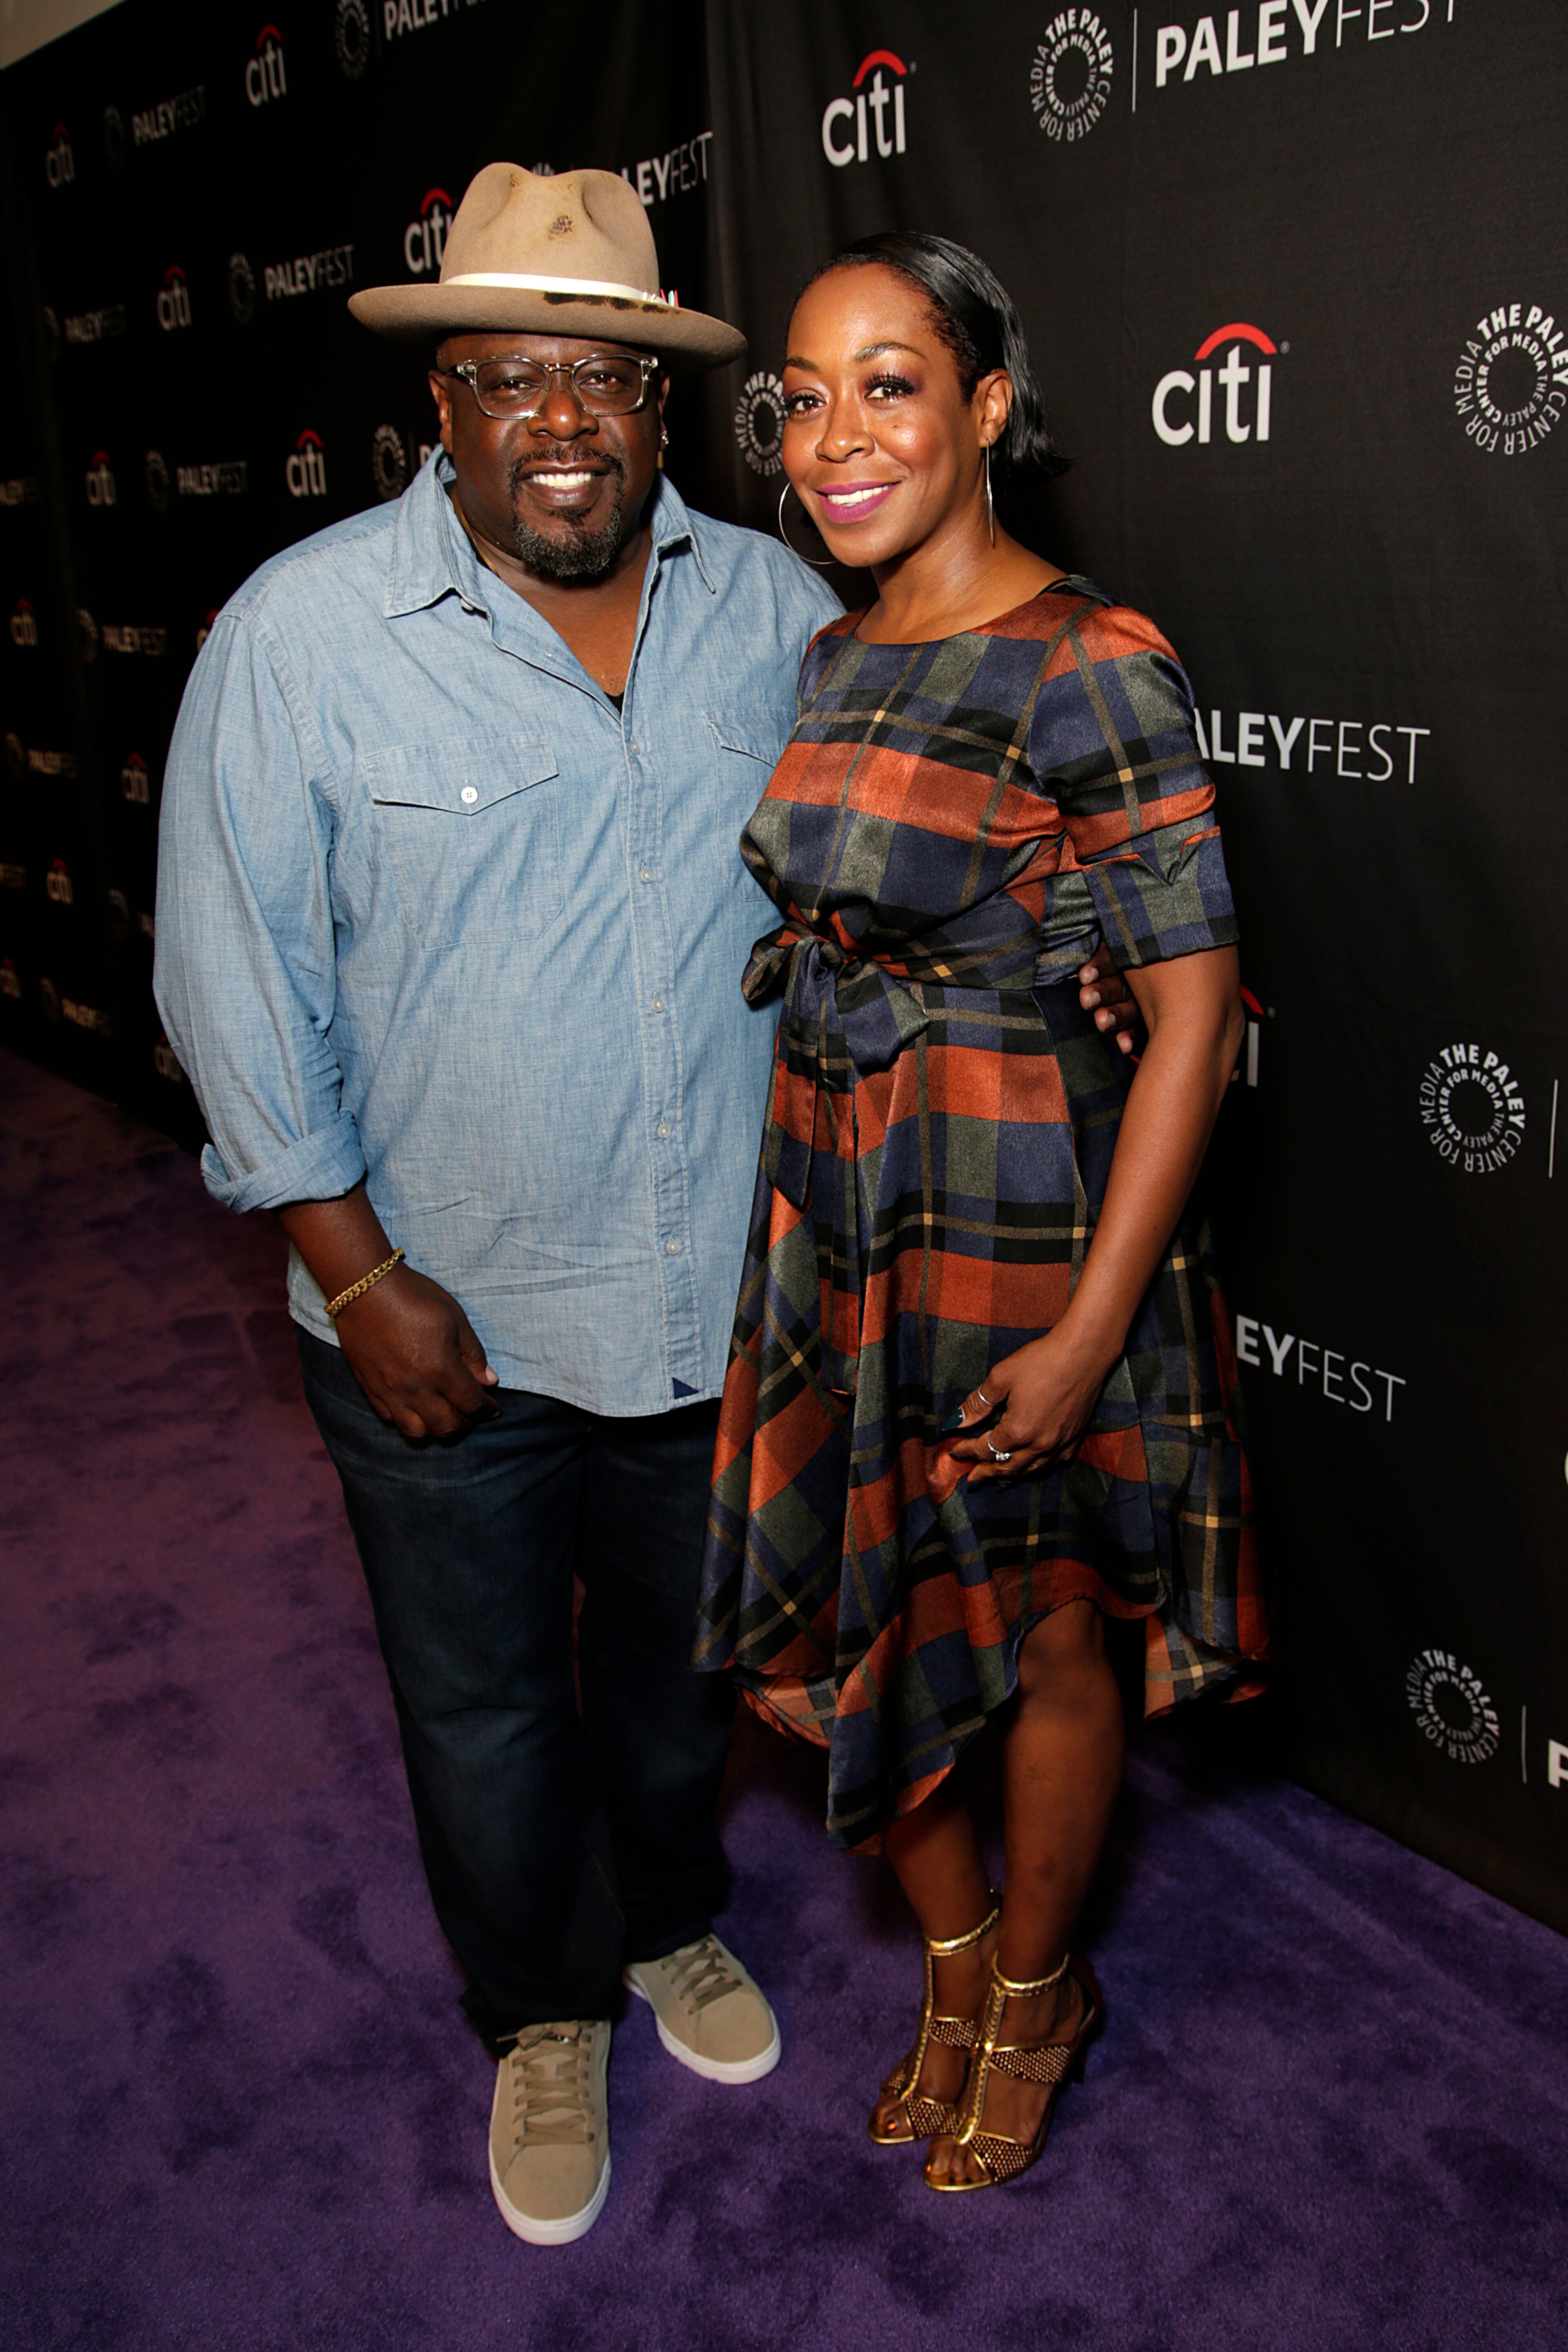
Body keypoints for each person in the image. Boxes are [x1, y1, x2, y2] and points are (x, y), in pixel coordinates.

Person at [151, 161, 1154, 2243]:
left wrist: (1079, 925)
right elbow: (231, 988)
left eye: (603, 375)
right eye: (509, 377)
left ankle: (671, 1920)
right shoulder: (301, 637)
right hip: (445, 1317)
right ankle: (538, 2012)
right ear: (440, 407)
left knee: (683, 1685)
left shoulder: (784, 611)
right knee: (486, 1698)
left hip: (724, 1302)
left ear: (662, 402)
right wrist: (357, 1273)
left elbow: (913, 840)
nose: (560, 419)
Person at [695, 232, 1270, 2195]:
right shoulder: (836, 651)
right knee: (846, 1616)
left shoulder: (1097, 661)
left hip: (1025, 1214)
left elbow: (1190, 1014)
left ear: (990, 408)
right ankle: (955, 1970)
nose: (832, 433)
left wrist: (1098, 1326)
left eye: (890, 382)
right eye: (802, 390)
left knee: (1041, 1641)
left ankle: (1040, 1992)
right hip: (843, 1201)